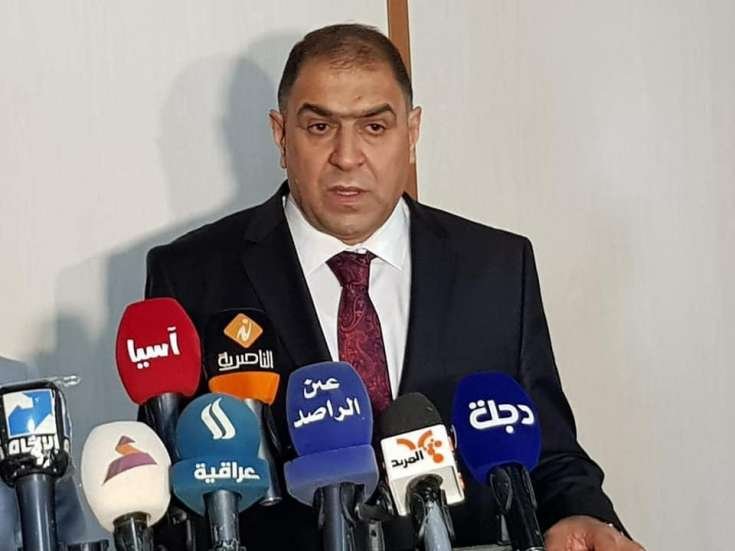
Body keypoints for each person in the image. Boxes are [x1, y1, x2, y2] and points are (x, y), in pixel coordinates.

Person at [146, 23, 644, 550]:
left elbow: (549, 455)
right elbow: (167, 495)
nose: (347, 156)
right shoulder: (192, 276)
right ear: (280, 134)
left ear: (412, 131)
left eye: (375, 127)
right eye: (319, 127)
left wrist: (581, 515)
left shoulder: (497, 267)